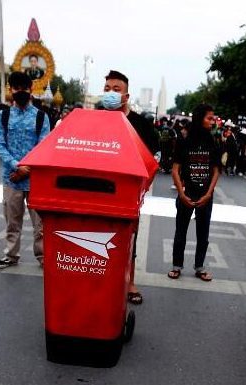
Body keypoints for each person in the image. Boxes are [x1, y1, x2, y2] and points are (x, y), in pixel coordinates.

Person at [100, 70, 160, 304]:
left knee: (128, 238)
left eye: (116, 89)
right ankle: (101, 280)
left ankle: (130, 282)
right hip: (99, 191)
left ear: (126, 95)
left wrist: (143, 187)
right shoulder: (96, 119)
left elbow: (154, 157)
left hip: (128, 193)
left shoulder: (140, 124)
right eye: (107, 89)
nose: (111, 93)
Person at [0, 72, 50, 269]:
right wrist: (16, 166)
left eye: (24, 88)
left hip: (36, 180)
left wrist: (27, 169)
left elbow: (43, 146)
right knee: (12, 222)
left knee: (40, 225)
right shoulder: (3, 115)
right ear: (11, 90)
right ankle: (11, 255)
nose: (20, 92)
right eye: (16, 88)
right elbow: (0, 144)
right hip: (11, 178)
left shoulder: (41, 117)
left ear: (31, 89)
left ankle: (44, 257)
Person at [168, 104, 221, 282]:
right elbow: (175, 170)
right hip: (186, 194)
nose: (212, 122)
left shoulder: (213, 141)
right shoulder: (184, 140)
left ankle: (200, 267)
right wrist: (181, 194)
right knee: (180, 232)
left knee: (203, 235)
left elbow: (216, 171)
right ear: (199, 119)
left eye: (213, 118)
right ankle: (176, 266)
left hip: (205, 196)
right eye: (209, 118)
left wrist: (208, 194)